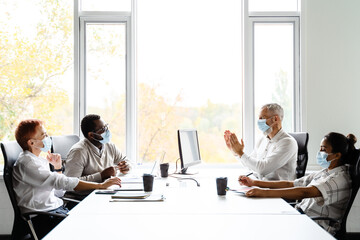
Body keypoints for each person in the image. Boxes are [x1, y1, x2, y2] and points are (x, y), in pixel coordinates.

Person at [12, 119, 122, 238]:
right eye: (43, 135)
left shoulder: (38, 160)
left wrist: (58, 168)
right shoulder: (28, 164)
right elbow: (64, 182)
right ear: (32, 143)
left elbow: (59, 192)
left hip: (55, 211)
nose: (48, 137)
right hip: (42, 217)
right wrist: (100, 185)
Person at [238, 132, 357, 235]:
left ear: (337, 155)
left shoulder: (339, 179)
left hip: (318, 226)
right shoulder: (325, 172)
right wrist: (254, 182)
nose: (320, 152)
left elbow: (304, 192)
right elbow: (292, 184)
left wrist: (264, 193)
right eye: (320, 148)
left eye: (323, 149)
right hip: (303, 217)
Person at [224, 103, 298, 180]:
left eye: (262, 118)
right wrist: (235, 152)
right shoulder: (262, 140)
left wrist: (240, 153)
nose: (259, 122)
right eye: (259, 118)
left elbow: (262, 169)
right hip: (262, 188)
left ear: (275, 119)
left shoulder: (288, 143)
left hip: (280, 191)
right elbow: (250, 166)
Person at [64, 114, 132, 182]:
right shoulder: (78, 151)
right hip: (87, 192)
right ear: (91, 135)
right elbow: (70, 183)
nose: (107, 131)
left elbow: (127, 161)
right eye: (103, 129)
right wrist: (101, 176)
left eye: (106, 126)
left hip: (104, 190)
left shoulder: (109, 146)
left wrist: (126, 166)